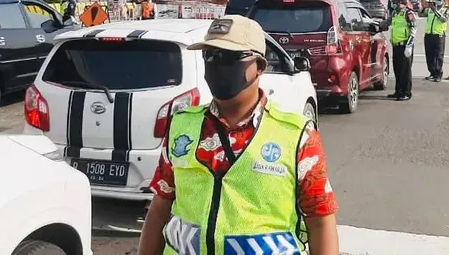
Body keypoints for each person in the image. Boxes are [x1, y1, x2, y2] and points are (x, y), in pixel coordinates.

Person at [138, 15, 339, 255]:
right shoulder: (182, 127)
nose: (216, 65)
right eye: (209, 56)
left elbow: (320, 219)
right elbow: (160, 207)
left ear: (260, 67)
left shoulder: (297, 137)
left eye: (229, 58)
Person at [387, 0, 417, 101]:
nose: (392, 4)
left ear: (400, 3)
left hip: (405, 46)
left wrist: (409, 45)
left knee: (405, 71)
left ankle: (406, 93)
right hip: (396, 46)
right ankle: (398, 91)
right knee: (397, 69)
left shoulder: (408, 13)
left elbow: (414, 29)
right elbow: (386, 23)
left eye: (394, 2)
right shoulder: (395, 13)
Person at [423, 0, 449, 82]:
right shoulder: (430, 9)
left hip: (439, 35)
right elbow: (420, 14)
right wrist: (424, 7)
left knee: (438, 55)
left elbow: (444, 19)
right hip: (429, 34)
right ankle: (432, 73)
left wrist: (435, 10)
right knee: (429, 55)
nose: (438, 1)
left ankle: (438, 74)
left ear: (444, 1)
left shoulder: (446, 9)